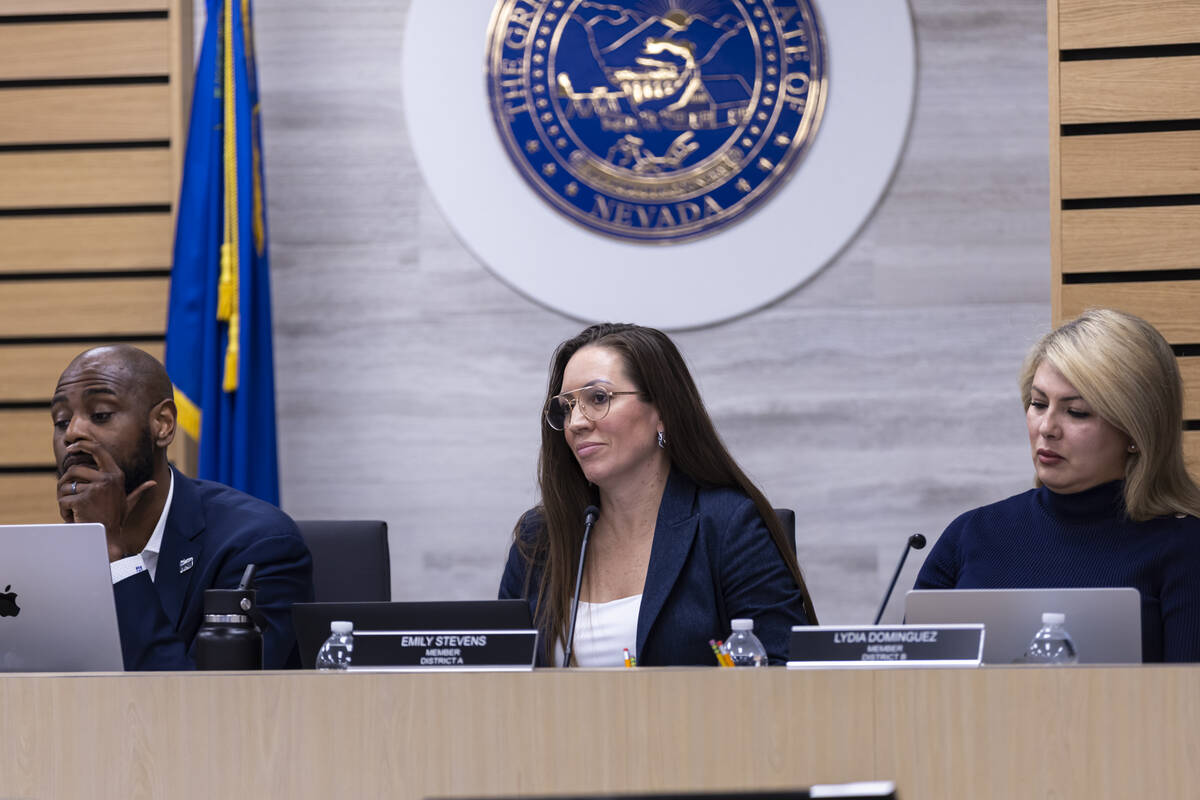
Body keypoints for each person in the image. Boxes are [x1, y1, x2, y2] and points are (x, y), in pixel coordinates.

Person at [499, 323, 815, 666]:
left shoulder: (727, 526)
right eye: (567, 407)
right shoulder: (540, 537)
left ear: (661, 412)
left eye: (598, 399)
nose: (576, 422)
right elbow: (497, 672)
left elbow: (788, 675)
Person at [915, 309, 1200, 662]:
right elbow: (907, 692)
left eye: (1076, 411)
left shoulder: (1186, 547)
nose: (1047, 427)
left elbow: (1190, 708)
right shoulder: (971, 535)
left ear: (1135, 432)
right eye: (1038, 403)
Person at [51, 344, 314, 669]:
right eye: (61, 421)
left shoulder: (258, 547)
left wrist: (115, 557)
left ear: (162, 424)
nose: (73, 433)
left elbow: (206, 705)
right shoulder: (55, 556)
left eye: (101, 414)